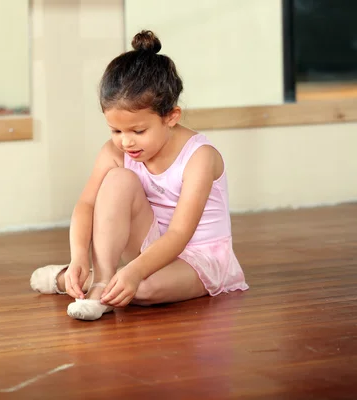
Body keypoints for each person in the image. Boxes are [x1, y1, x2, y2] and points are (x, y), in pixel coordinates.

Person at [30, 30, 249, 321]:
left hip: (199, 257)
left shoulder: (200, 157)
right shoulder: (115, 151)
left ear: (171, 116)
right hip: (150, 247)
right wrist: (78, 254)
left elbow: (179, 234)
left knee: (141, 289)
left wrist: (134, 272)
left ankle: (76, 281)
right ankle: (101, 280)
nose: (126, 142)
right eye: (116, 130)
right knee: (118, 179)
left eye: (138, 131)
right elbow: (86, 205)